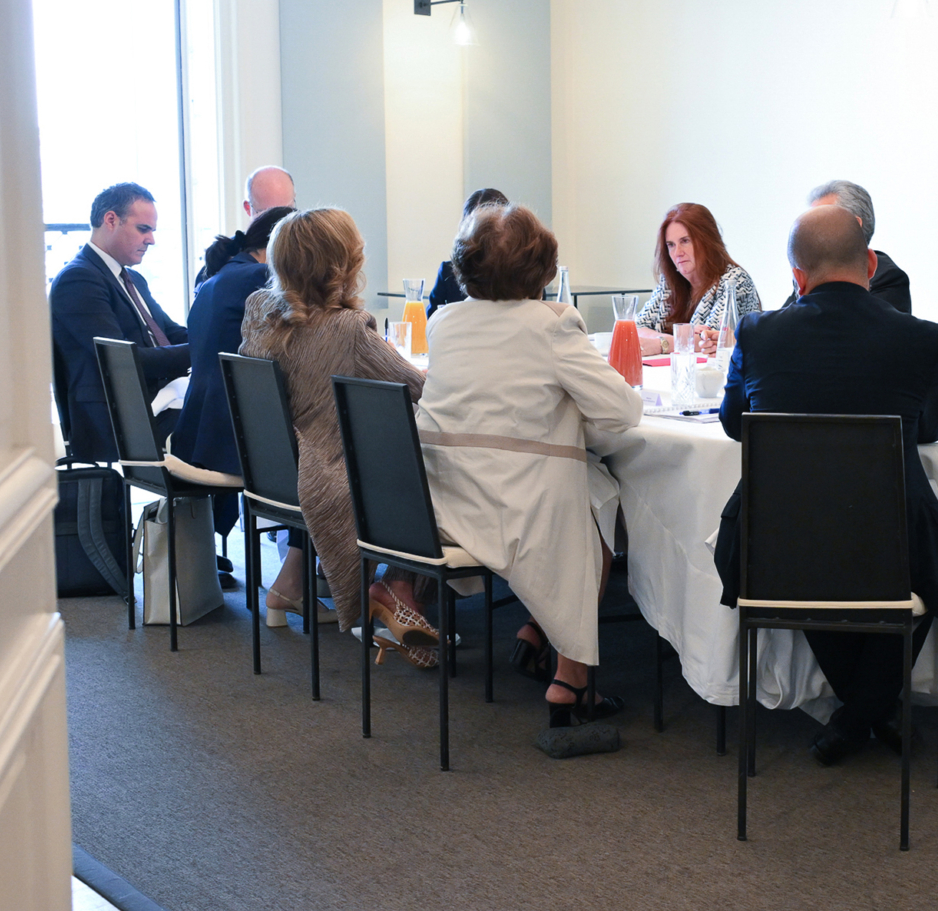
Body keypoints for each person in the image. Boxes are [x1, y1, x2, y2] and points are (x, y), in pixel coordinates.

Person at [713, 204, 938, 766]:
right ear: (871, 264)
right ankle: (874, 708)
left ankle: (856, 714)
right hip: (889, 542)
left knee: (809, 560)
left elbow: (734, 424)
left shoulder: (759, 333)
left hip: (773, 547)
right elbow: (930, 428)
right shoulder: (922, 338)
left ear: (796, 277)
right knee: (923, 569)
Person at [417, 204, 643, 725]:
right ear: (542, 268)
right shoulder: (552, 325)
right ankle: (571, 679)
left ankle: (540, 635)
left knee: (588, 485)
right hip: (522, 510)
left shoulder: (444, 322)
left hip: (449, 501)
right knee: (597, 498)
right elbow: (622, 411)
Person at [239, 208, 436, 662]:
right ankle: (397, 592)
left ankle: (392, 595)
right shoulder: (347, 328)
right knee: (438, 476)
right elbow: (420, 388)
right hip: (330, 474)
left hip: (276, 466)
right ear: (343, 265)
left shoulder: (258, 310)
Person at [168, 207, 321, 615]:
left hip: (200, 431)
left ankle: (303, 574)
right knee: (337, 453)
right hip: (237, 442)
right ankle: (301, 579)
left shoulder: (217, 278)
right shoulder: (261, 280)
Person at [51, 182, 190, 463]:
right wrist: (202, 350)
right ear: (111, 220)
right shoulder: (78, 279)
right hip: (117, 418)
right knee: (224, 425)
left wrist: (217, 337)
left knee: (229, 415)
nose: (151, 239)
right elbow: (123, 360)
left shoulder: (132, 279)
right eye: (143, 229)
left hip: (151, 403)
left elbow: (169, 333)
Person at [636, 202, 761, 355]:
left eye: (685, 241)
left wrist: (661, 344)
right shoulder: (669, 282)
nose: (677, 253)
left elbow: (712, 341)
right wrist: (684, 334)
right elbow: (636, 328)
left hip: (720, 374)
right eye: (671, 245)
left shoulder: (734, 281)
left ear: (707, 241)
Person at [781, 180, 911, 312]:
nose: (809, 231)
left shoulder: (888, 278)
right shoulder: (809, 274)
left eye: (822, 220)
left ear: (855, 226)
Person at [195, 167, 298, 294]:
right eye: (267, 214)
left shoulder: (306, 253)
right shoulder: (222, 258)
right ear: (248, 208)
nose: (278, 225)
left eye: (287, 212)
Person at [427, 187, 508, 316]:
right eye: (474, 228)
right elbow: (430, 323)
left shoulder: (526, 274)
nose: (481, 237)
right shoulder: (448, 274)